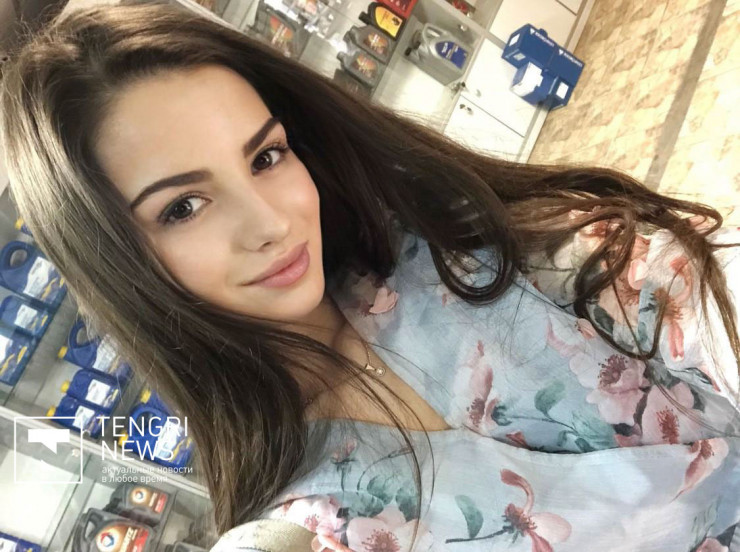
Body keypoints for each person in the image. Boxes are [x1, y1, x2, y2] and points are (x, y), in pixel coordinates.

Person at [1, 3, 738, 551]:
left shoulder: (450, 247)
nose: (270, 222)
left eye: (266, 157)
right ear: (119, 265)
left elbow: (675, 288)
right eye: (184, 207)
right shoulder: (311, 517)